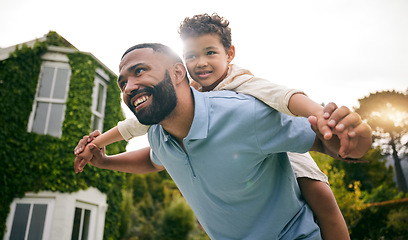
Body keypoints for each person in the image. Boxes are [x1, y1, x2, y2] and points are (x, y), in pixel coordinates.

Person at [75, 14, 357, 239]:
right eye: (192, 56)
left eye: (210, 52)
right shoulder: (177, 102)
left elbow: (285, 98)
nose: (200, 63)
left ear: (229, 54)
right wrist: (99, 147)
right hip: (240, 154)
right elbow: (136, 132)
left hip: (275, 140)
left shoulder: (244, 88)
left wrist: (321, 116)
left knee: (318, 192)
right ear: (181, 66)